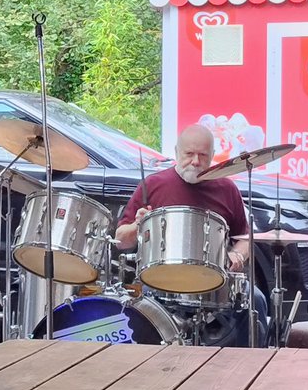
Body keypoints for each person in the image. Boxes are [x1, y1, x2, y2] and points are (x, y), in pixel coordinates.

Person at [113, 123, 267, 347]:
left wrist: (238, 256)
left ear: (213, 155)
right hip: (160, 279)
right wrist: (138, 224)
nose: (195, 161)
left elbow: (244, 238)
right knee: (139, 310)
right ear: (176, 152)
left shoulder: (226, 188)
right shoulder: (153, 185)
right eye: (189, 154)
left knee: (256, 301)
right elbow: (120, 240)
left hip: (215, 282)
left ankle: (247, 371)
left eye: (203, 155)